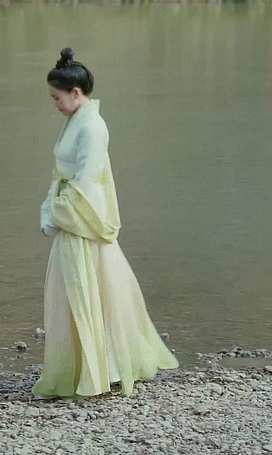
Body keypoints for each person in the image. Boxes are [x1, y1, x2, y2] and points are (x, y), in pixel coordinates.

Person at [33, 48, 179, 399]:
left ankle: (105, 367)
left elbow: (85, 180)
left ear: (76, 93)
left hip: (84, 217)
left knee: (91, 289)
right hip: (71, 211)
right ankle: (90, 364)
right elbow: (62, 174)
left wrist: (56, 213)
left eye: (56, 97)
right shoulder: (76, 121)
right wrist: (48, 207)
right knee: (81, 289)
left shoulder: (93, 127)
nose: (54, 104)